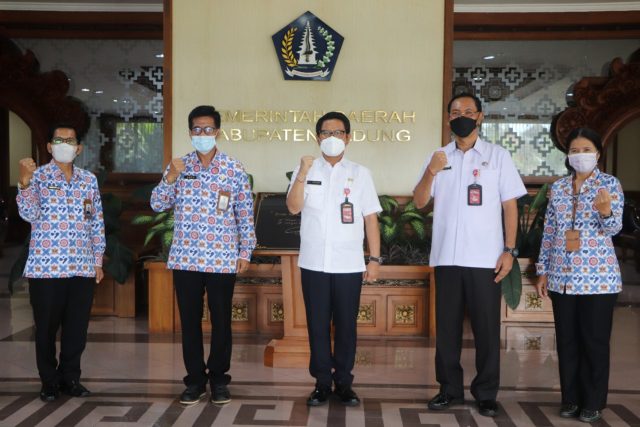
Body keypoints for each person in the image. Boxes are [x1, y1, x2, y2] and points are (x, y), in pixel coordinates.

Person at [413, 93, 526, 417]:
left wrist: (509, 250)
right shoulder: (438, 156)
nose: (460, 116)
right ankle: (448, 389)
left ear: (480, 117)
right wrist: (431, 171)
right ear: (448, 118)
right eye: (454, 112)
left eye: (467, 111)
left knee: (486, 330)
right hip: (447, 258)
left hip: (485, 259)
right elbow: (419, 201)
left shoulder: (497, 156)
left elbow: (510, 206)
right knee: (446, 330)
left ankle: (486, 393)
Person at [151, 105, 256, 406]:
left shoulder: (233, 168)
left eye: (208, 129)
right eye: (197, 129)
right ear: (190, 133)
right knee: (190, 322)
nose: (202, 134)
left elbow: (244, 214)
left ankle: (219, 380)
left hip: (222, 258)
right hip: (186, 259)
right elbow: (157, 204)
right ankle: (195, 381)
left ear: (217, 132)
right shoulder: (179, 166)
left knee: (222, 321)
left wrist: (245, 251)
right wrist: (170, 177)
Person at [286, 111, 382, 407]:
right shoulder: (306, 169)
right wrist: (302, 173)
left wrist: (374, 259)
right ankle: (321, 383)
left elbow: (370, 219)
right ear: (318, 138)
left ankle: (344, 382)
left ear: (348, 138)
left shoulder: (361, 173)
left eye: (338, 133)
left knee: (346, 326)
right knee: (316, 326)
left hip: (348, 264)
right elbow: (293, 207)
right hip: (314, 263)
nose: (332, 138)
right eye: (326, 133)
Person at [535, 127, 623, 424]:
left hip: (599, 279)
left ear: (597, 153)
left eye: (586, 150)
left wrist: (606, 211)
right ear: (567, 155)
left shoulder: (609, 184)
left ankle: (593, 402)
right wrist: (542, 271)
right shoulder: (559, 188)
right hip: (561, 276)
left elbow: (613, 230)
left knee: (594, 341)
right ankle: (570, 399)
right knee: (567, 341)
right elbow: (550, 230)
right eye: (575, 150)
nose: (580, 155)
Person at [16, 123, 105, 402]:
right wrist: (24, 183)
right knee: (46, 328)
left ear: (78, 148)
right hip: (47, 269)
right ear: (49, 146)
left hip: (82, 266)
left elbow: (96, 221)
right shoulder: (38, 177)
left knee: (77, 329)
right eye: (58, 140)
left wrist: (97, 261)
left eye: (70, 141)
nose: (64, 145)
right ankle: (49, 381)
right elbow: (29, 214)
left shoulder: (88, 180)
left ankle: (71, 378)